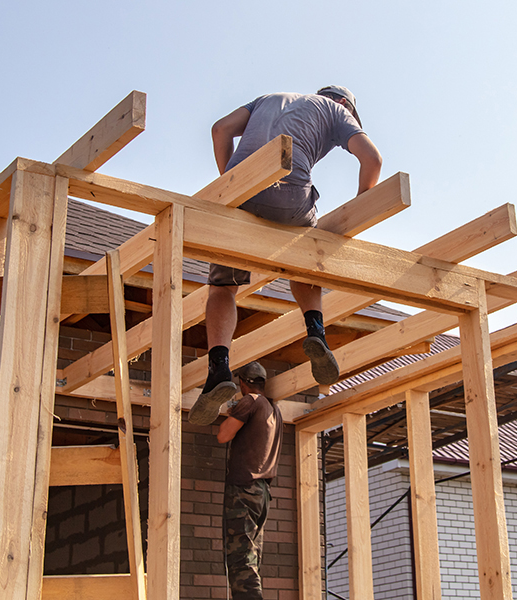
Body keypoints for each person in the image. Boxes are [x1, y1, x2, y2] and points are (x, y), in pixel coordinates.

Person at [188, 86, 382, 427]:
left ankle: (219, 366)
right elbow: (373, 159)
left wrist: (232, 183)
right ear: (344, 104)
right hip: (288, 198)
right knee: (306, 252)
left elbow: (219, 130)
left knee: (222, 287)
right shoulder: (336, 111)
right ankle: (316, 331)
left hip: (238, 196)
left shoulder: (267, 98)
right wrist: (360, 206)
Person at [217, 361, 283, 600]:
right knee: (251, 557)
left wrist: (230, 411)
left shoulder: (250, 401)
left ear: (243, 383)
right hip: (262, 493)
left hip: (244, 489)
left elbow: (223, 434)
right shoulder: (275, 410)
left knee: (240, 559)